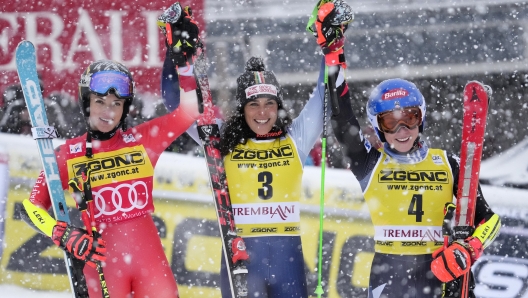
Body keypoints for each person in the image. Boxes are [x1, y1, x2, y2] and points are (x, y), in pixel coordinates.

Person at [156, 3, 335, 296]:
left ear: (278, 107)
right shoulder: (222, 140)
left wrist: (330, 45)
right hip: (240, 258)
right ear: (242, 108)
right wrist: (174, 54)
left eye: (269, 104)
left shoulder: (295, 140)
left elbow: (325, 94)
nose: (262, 112)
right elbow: (175, 103)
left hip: (287, 259)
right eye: (254, 104)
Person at [19, 58, 199, 297]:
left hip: (151, 267)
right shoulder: (67, 155)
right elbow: (31, 207)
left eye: (117, 104)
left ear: (125, 108)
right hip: (103, 268)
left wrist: (184, 61)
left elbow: (190, 110)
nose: (108, 111)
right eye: (100, 102)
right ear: (87, 102)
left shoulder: (143, 140)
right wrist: (61, 233)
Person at [329, 56, 501, 298]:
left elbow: (491, 221)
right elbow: (342, 122)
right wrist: (334, 55)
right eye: (391, 122)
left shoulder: (448, 163)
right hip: (389, 276)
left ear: (421, 119)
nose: (402, 131)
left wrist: (468, 249)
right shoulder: (370, 163)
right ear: (378, 127)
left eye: (410, 118)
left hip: (441, 273)